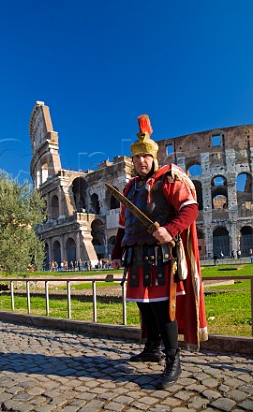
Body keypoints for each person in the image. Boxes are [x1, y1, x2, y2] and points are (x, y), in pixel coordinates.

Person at [111, 114, 208, 389]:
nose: (142, 161)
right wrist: (117, 252)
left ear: (154, 157)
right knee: (144, 306)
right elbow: (122, 226)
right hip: (135, 257)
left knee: (164, 309)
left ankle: (172, 360)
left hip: (161, 256)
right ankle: (152, 348)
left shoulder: (170, 178)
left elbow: (190, 208)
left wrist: (171, 229)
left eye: (146, 156)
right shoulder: (129, 189)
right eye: (137, 157)